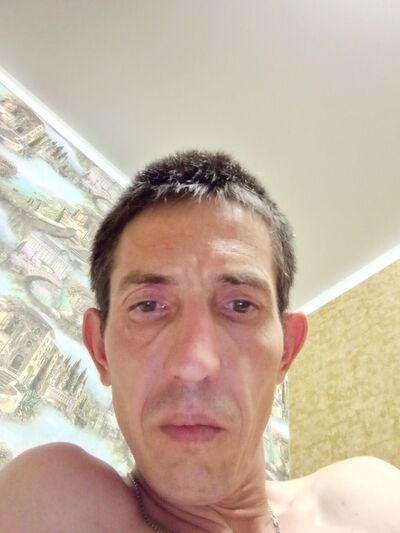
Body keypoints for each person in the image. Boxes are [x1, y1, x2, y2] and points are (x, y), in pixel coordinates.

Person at [0, 150, 399, 532]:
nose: (193, 363)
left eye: (240, 305)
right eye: (148, 305)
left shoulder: (372, 502)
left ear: (287, 350)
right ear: (100, 350)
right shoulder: (55, 503)